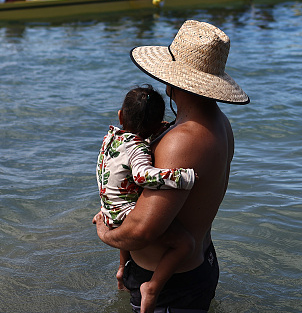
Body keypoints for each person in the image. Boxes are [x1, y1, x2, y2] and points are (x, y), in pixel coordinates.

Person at [94, 19, 250, 313]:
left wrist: (106, 234)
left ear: (171, 80)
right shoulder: (219, 124)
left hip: (168, 287)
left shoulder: (181, 140)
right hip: (199, 263)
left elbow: (142, 231)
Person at [97, 85, 196, 313]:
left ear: (121, 116)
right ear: (157, 123)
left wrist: (154, 130)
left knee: (129, 200)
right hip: (124, 217)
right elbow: (143, 176)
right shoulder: (138, 148)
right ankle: (152, 288)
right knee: (185, 244)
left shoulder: (110, 138)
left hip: (108, 209)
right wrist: (183, 177)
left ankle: (122, 267)